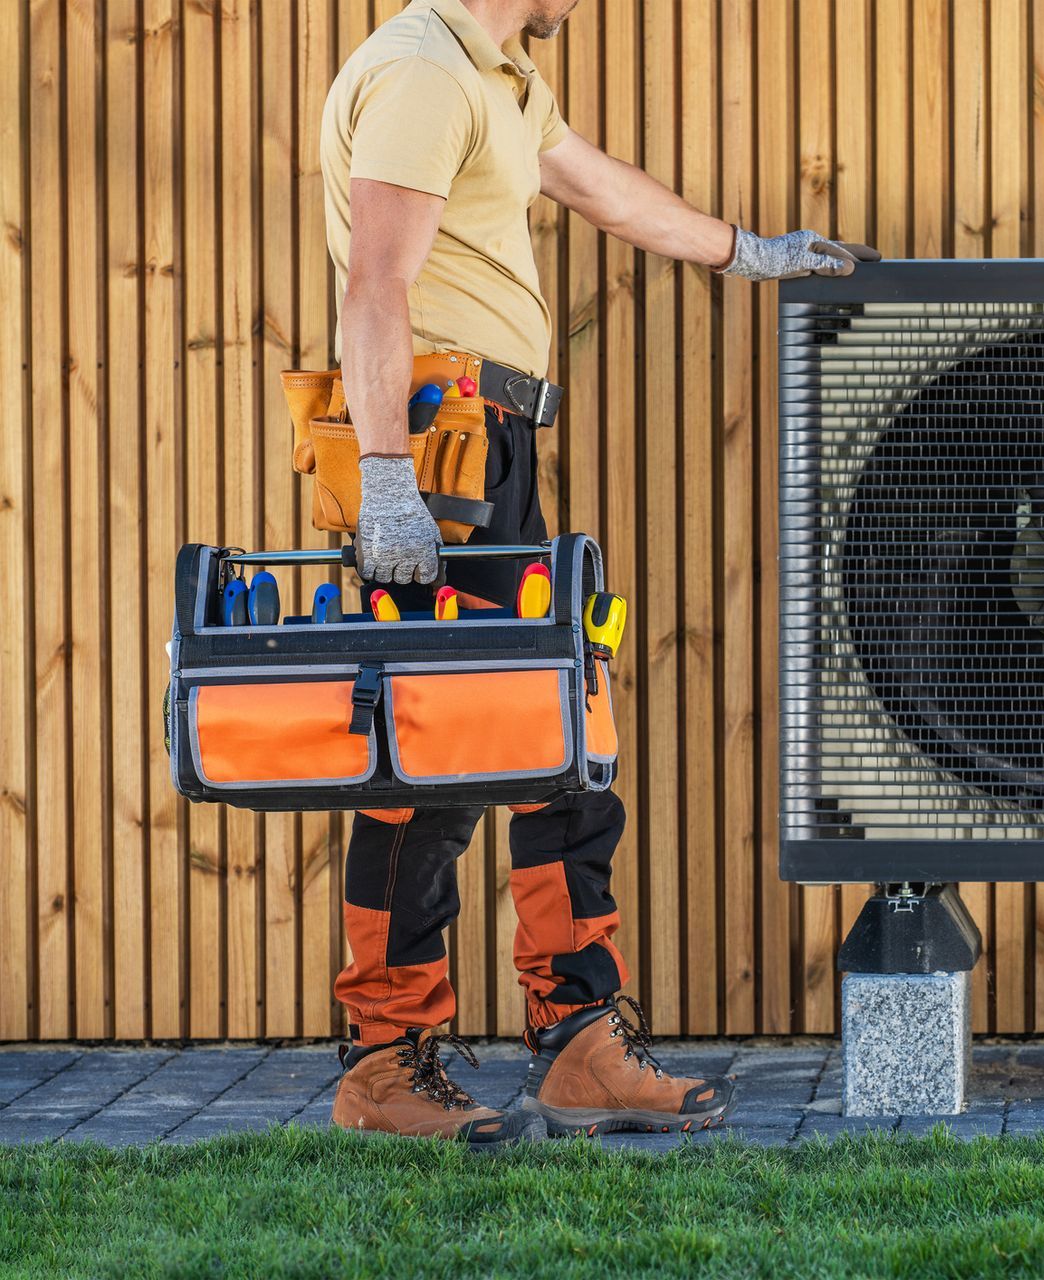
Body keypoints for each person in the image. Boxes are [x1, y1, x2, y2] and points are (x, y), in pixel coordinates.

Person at [319, 0, 876, 1147]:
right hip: (438, 455)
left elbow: (599, 184)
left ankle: (575, 1040)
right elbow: (375, 281)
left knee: (558, 738)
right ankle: (384, 1063)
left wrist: (748, 250)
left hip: (491, 450)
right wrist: (385, 480)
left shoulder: (505, 75)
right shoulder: (424, 74)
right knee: (426, 760)